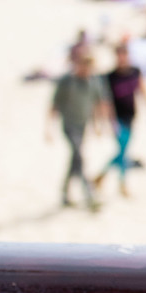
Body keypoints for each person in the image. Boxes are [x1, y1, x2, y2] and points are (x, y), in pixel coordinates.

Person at [47, 49, 108, 211]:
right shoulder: (67, 81)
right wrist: (49, 128)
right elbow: (54, 105)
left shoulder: (94, 82)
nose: (85, 69)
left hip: (82, 126)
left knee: (75, 160)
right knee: (79, 157)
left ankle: (64, 193)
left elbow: (97, 104)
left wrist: (97, 125)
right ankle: (89, 195)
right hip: (69, 126)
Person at [93, 41, 146, 199]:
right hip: (117, 118)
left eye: (124, 55)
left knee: (123, 151)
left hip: (131, 116)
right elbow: (105, 101)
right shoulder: (110, 77)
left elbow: (143, 90)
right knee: (123, 151)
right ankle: (122, 184)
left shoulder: (135, 72)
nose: (121, 58)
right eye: (119, 55)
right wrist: (104, 122)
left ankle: (101, 176)